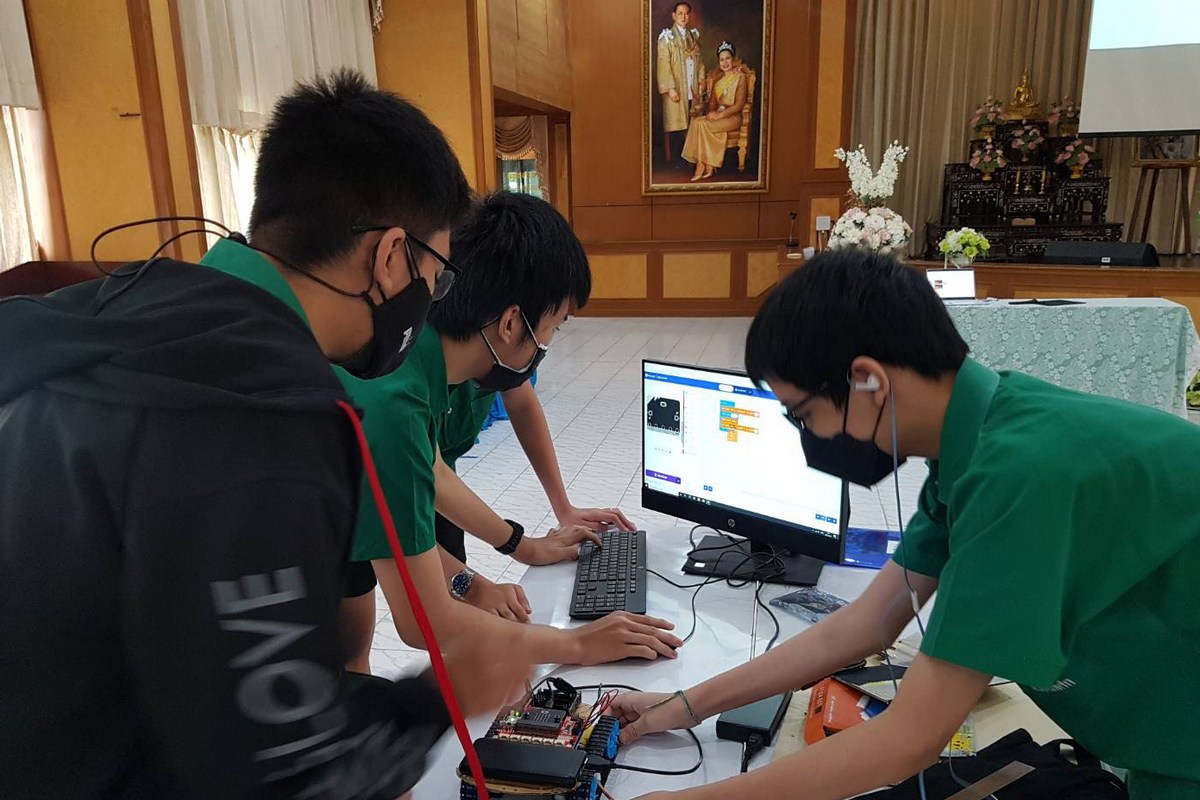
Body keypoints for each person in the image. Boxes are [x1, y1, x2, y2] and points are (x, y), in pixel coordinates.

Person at [0, 70, 527, 800]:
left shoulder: (132, 311)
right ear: (390, 257)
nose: (431, 303)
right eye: (434, 278)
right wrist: (442, 697)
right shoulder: (257, 414)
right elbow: (275, 770)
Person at [610, 250, 1200, 800]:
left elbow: (909, 739)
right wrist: (685, 705)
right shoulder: (981, 437)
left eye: (804, 416)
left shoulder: (1020, 475)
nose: (809, 438)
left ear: (868, 380)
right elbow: (865, 624)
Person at [339, 191, 682, 670]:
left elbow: (425, 477)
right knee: (339, 664)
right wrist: (576, 644)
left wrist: (517, 548)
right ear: (510, 323)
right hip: (284, 559)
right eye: (554, 327)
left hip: (338, 515)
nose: (548, 343)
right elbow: (423, 621)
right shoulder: (396, 400)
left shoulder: (421, 358)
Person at [682, 42, 746, 181]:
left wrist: (719, 115)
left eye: (728, 58)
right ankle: (706, 164)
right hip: (719, 116)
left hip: (733, 117)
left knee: (702, 125)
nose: (725, 62)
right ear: (719, 62)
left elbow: (739, 105)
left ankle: (703, 165)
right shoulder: (717, 80)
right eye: (722, 59)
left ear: (733, 59)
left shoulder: (740, 77)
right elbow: (711, 105)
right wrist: (709, 110)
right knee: (697, 122)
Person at [656, 1, 705, 163]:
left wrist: (701, 79)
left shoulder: (693, 37)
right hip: (677, 86)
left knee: (693, 118)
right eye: (680, 13)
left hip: (692, 83)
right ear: (674, 16)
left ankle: (691, 156)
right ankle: (677, 160)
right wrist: (670, 88)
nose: (683, 17)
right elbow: (664, 65)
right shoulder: (667, 38)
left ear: (689, 16)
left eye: (686, 13)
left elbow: (700, 62)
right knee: (677, 121)